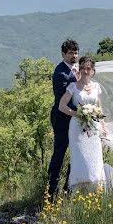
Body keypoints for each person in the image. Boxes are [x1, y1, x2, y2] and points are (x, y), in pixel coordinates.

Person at [58, 55, 109, 193]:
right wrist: (77, 114)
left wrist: (103, 126)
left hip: (93, 128)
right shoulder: (73, 86)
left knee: (95, 157)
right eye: (83, 68)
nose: (85, 71)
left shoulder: (96, 87)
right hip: (77, 128)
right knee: (80, 158)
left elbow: (99, 109)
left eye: (88, 68)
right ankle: (79, 190)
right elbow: (61, 106)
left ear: (92, 70)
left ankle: (96, 189)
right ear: (79, 69)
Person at [47, 39, 80, 200]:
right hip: (62, 119)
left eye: (75, 52)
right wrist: (83, 112)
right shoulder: (60, 73)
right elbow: (62, 101)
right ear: (63, 54)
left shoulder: (78, 68)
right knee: (59, 154)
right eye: (70, 53)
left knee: (76, 153)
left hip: (76, 119)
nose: (74, 55)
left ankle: (69, 187)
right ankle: (51, 191)